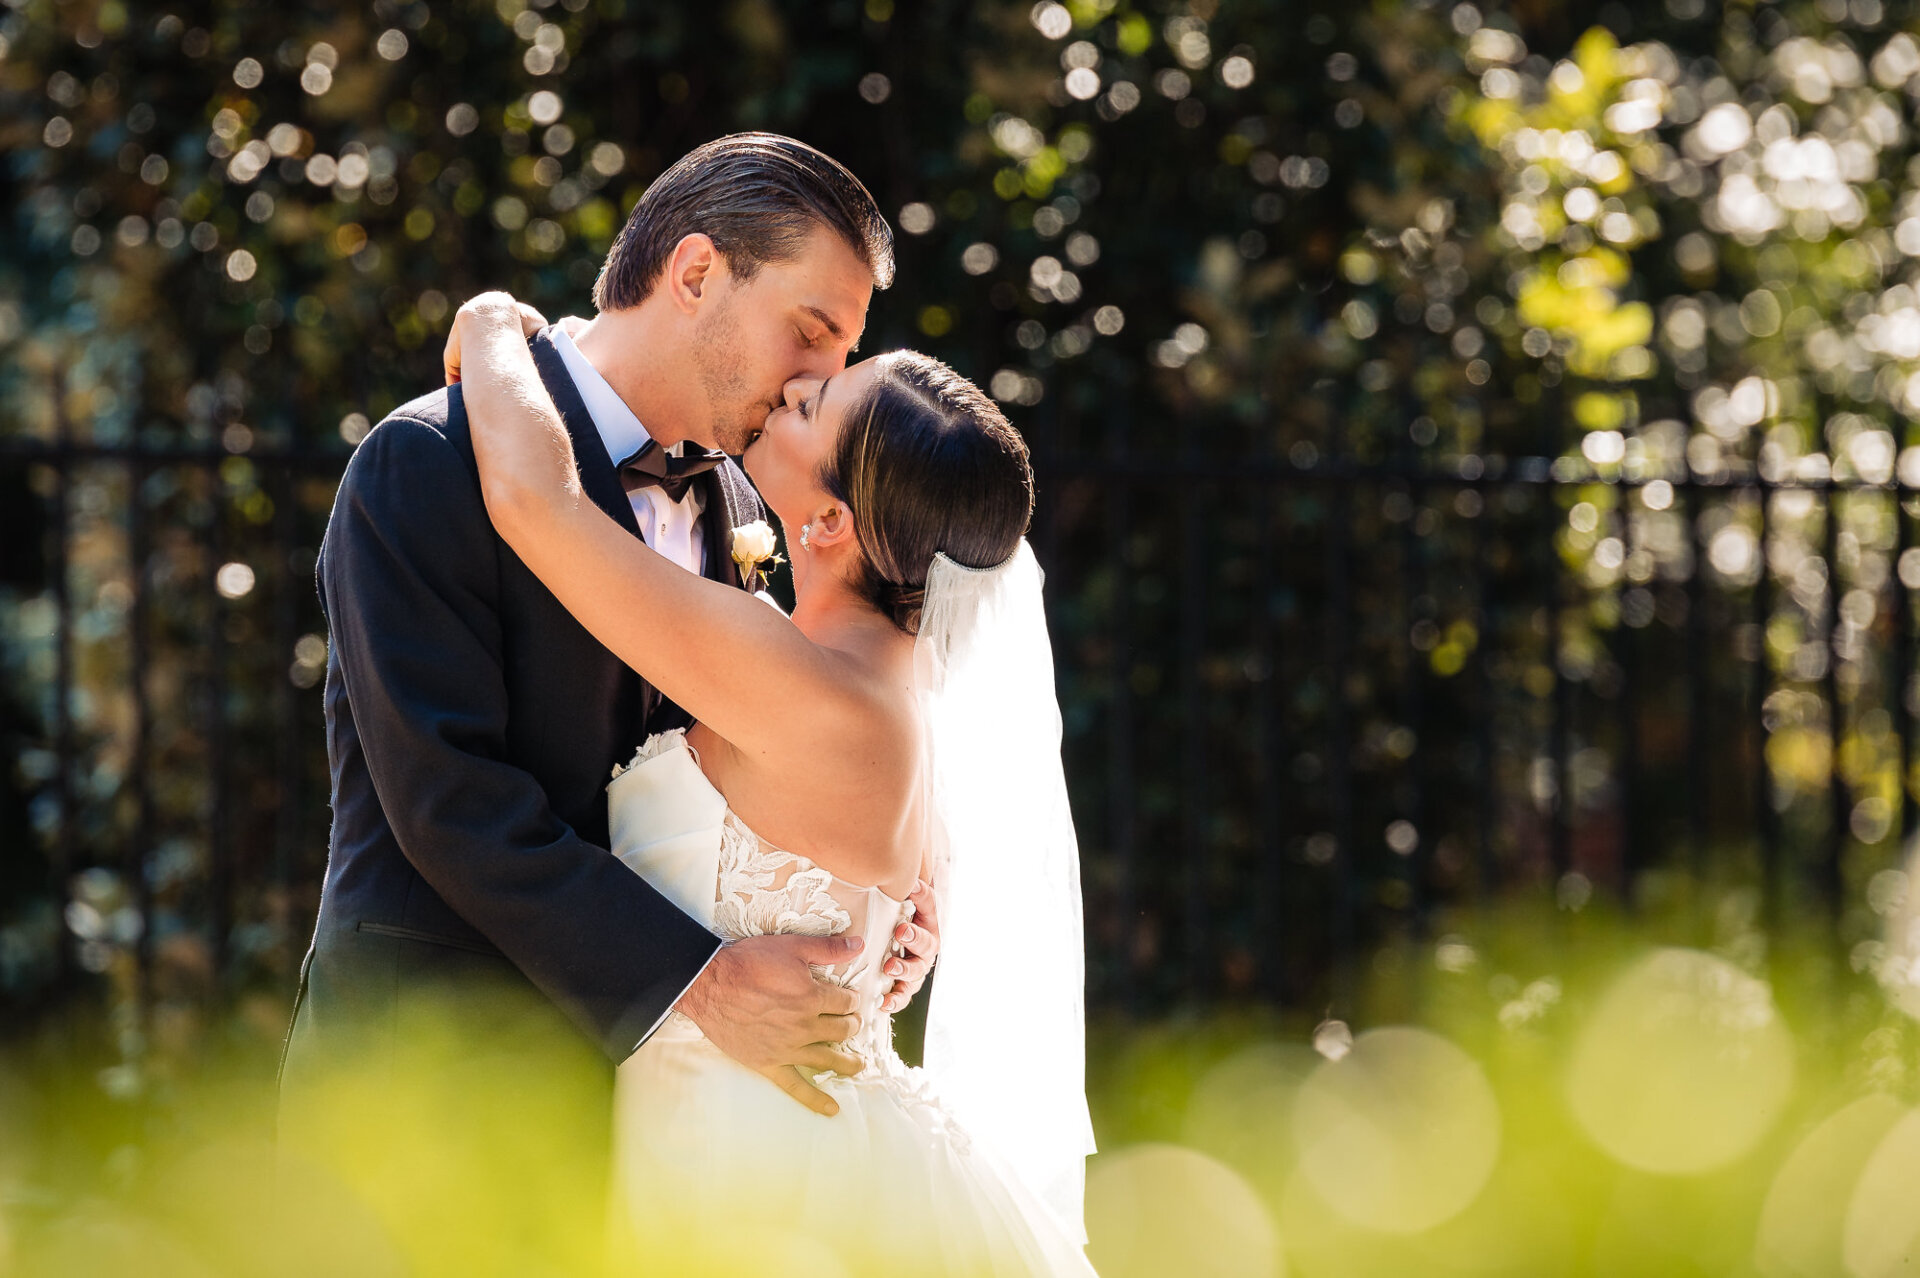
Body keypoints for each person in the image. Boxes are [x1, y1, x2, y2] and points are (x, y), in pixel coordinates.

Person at [277, 134, 940, 1274]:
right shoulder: (423, 464)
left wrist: (883, 900)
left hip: (651, 1131)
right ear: (694, 275)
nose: (808, 382)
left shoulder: (749, 502)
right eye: (812, 332)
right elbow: (451, 803)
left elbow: (770, 769)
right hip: (432, 1082)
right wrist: (697, 978)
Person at [446, 281, 1097, 1274]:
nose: (796, 382)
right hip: (798, 1138)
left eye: (811, 408)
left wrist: (494, 322)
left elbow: (537, 502)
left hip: (762, 1172)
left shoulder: (801, 683)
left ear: (830, 524)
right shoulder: (901, 692)